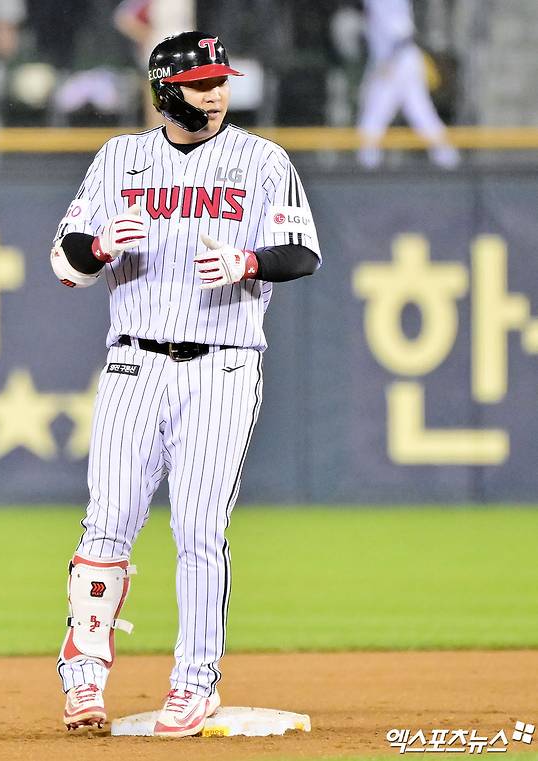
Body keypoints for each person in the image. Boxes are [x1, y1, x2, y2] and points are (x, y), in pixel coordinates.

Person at [50, 30, 321, 738]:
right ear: (166, 90)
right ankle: (83, 673)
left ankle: (195, 682)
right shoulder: (119, 159)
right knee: (108, 519)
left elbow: (302, 252)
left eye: (221, 81)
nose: (217, 93)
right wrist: (101, 245)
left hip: (225, 365)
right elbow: (66, 262)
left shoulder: (262, 160)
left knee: (200, 527)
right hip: (134, 363)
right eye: (202, 83)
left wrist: (247, 262)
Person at [357, 0, 460, 169]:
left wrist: (388, 61)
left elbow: (402, 33)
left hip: (396, 62)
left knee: (373, 117)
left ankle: (366, 165)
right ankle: (448, 158)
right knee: (421, 113)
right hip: (403, 60)